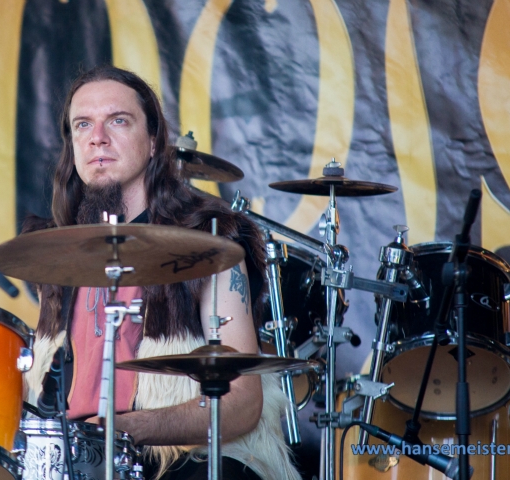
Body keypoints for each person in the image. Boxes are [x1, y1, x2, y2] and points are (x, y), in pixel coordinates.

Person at [22, 65, 301, 480]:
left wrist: (129, 430)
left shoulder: (210, 239)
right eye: (83, 124)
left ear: (153, 142)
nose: (97, 136)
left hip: (179, 459)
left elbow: (241, 402)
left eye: (118, 120)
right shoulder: (56, 252)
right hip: (73, 461)